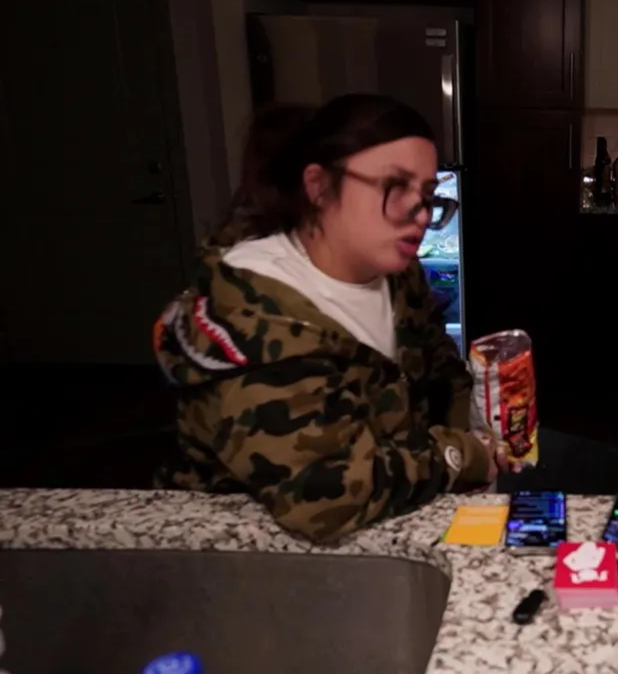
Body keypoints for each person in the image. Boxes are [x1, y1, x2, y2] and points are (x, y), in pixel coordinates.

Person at [153, 94, 506, 542]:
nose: (419, 214)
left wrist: (483, 428)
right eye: (394, 187)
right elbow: (324, 499)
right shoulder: (254, 318)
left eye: (427, 195)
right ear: (319, 186)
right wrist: (459, 455)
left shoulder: (396, 275)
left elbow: (438, 369)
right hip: (243, 551)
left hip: (394, 518)